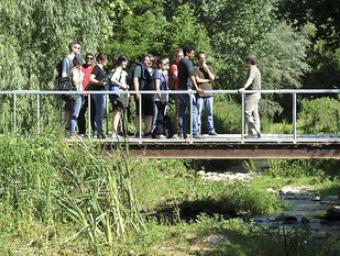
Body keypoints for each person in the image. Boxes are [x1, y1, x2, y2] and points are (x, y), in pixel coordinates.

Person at [177, 45, 203, 138]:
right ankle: (195, 132)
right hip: (186, 89)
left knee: (181, 110)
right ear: (187, 53)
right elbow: (192, 75)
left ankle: (181, 132)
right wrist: (196, 88)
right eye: (192, 53)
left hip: (180, 89)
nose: (193, 54)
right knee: (193, 109)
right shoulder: (188, 62)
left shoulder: (180, 62)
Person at [194, 52, 217, 135]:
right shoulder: (195, 68)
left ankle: (211, 130)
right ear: (198, 59)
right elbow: (197, 80)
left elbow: (212, 78)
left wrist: (206, 68)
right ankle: (198, 131)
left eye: (204, 57)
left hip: (209, 95)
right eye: (201, 58)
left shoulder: (209, 68)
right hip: (200, 95)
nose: (203, 59)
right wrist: (207, 80)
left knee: (209, 113)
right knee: (198, 114)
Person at [239, 56, 262, 137]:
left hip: (252, 94)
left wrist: (244, 88)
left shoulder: (252, 69)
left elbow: (250, 79)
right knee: (255, 113)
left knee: (247, 113)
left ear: (249, 62)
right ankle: (257, 130)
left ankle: (253, 131)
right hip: (257, 94)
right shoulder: (256, 69)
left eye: (245, 62)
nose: (244, 64)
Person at [132, 54, 154, 138]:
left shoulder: (149, 70)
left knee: (149, 113)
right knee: (139, 112)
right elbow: (136, 79)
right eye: (148, 60)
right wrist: (137, 92)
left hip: (149, 94)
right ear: (143, 60)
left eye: (150, 60)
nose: (150, 62)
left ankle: (147, 131)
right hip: (141, 93)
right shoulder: (139, 67)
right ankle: (138, 131)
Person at [61, 42, 81, 131]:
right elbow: (64, 73)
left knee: (73, 109)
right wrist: (66, 86)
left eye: (79, 48)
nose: (78, 49)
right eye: (76, 47)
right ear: (71, 48)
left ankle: (71, 130)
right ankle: (70, 130)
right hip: (70, 87)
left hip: (77, 87)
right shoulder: (67, 59)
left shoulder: (77, 59)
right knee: (70, 109)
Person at [109, 55, 129, 139]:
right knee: (117, 112)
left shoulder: (117, 69)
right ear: (121, 62)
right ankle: (114, 133)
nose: (126, 63)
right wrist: (122, 86)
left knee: (117, 112)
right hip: (118, 93)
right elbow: (113, 79)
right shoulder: (118, 69)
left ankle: (115, 132)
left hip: (117, 93)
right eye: (124, 61)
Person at [88, 53, 108, 139]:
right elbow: (91, 78)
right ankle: (99, 131)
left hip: (102, 92)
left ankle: (99, 130)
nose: (107, 61)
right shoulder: (97, 68)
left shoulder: (102, 68)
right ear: (100, 60)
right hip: (98, 93)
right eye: (105, 59)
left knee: (100, 112)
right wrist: (99, 82)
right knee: (99, 112)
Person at [77, 53, 96, 135]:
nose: (89, 59)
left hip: (92, 94)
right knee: (81, 112)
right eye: (87, 58)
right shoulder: (80, 68)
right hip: (82, 94)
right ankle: (82, 131)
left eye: (91, 58)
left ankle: (95, 130)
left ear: (93, 60)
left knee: (93, 113)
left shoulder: (94, 69)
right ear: (85, 58)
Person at [67, 54, 84, 138]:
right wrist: (81, 76)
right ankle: (72, 133)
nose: (81, 63)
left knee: (74, 113)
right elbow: (75, 81)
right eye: (80, 62)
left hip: (77, 94)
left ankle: (72, 131)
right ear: (77, 62)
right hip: (76, 94)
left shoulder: (75, 69)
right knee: (75, 114)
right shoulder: (74, 70)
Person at [152, 58, 169, 138]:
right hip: (158, 98)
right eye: (164, 64)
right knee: (159, 115)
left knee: (161, 114)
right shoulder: (158, 73)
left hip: (163, 97)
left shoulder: (161, 73)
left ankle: (159, 132)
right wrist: (161, 97)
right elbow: (157, 87)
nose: (166, 66)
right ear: (160, 65)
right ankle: (157, 132)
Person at [170, 48, 184, 133]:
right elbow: (176, 76)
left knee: (183, 111)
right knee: (178, 111)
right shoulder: (174, 66)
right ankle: (179, 130)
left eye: (182, 56)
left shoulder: (184, 65)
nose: (181, 58)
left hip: (185, 89)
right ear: (175, 57)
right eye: (179, 56)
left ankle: (183, 129)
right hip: (178, 90)